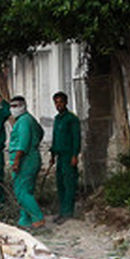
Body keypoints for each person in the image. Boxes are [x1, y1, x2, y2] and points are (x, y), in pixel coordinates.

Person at [7, 95, 45, 229]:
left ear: (24, 106)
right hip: (32, 157)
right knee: (27, 189)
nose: (13, 109)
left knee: (21, 191)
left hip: (25, 160)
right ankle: (25, 219)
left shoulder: (23, 122)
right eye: (11, 106)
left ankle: (38, 217)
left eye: (16, 106)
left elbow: (22, 144)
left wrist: (17, 160)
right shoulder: (29, 119)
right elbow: (40, 132)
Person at [47, 91, 81, 223]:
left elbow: (76, 138)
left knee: (69, 184)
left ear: (66, 102)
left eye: (61, 102)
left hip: (68, 156)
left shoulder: (71, 119)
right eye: (56, 102)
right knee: (60, 184)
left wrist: (75, 155)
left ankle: (68, 212)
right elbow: (55, 138)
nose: (58, 105)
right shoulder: (57, 119)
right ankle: (62, 212)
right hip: (60, 156)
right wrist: (52, 155)